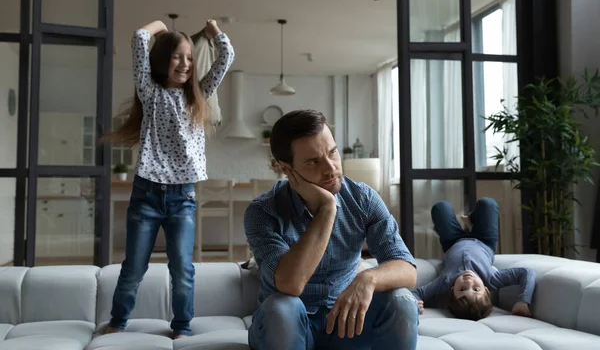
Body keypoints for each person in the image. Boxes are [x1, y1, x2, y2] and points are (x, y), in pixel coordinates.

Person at [102, 19, 235, 338]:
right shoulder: (149, 91)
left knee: (182, 270)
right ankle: (118, 321)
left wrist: (213, 29)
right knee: (133, 268)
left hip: (182, 198)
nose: (185, 64)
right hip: (146, 194)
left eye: (189, 58)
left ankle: (182, 326)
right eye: (177, 56)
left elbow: (226, 56)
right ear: (163, 59)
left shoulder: (199, 94)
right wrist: (161, 25)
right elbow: (138, 38)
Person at [244, 109, 419, 350]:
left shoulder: (363, 199)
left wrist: (368, 278)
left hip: (344, 322)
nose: (331, 169)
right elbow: (291, 284)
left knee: (402, 301)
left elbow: (407, 268)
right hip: (288, 326)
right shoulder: (263, 212)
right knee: (282, 307)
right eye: (314, 161)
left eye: (333, 153)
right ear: (287, 169)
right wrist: (327, 209)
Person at [412, 198, 535, 321]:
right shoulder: (492, 278)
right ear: (486, 290)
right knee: (487, 204)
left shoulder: (445, 281)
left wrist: (414, 305)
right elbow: (527, 272)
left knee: (440, 208)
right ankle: (473, 219)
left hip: (453, 241)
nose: (469, 281)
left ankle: (462, 224)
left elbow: (417, 293)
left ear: (452, 290)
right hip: (485, 241)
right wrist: (524, 301)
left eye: (462, 289)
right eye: (476, 289)